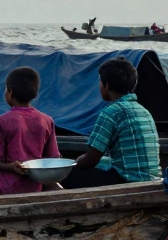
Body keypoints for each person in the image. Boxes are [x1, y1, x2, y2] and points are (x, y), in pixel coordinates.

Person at [62, 58, 161, 188]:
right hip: (153, 179)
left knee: (66, 174)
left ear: (106, 85)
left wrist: (76, 162)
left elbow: (91, 159)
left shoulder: (111, 113)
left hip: (127, 182)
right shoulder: (143, 111)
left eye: (100, 81)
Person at [0, 67, 61, 195]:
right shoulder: (47, 121)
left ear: (10, 92)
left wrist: (11, 167)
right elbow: (53, 159)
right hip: (36, 187)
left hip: (7, 189)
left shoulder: (1, 122)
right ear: (35, 93)